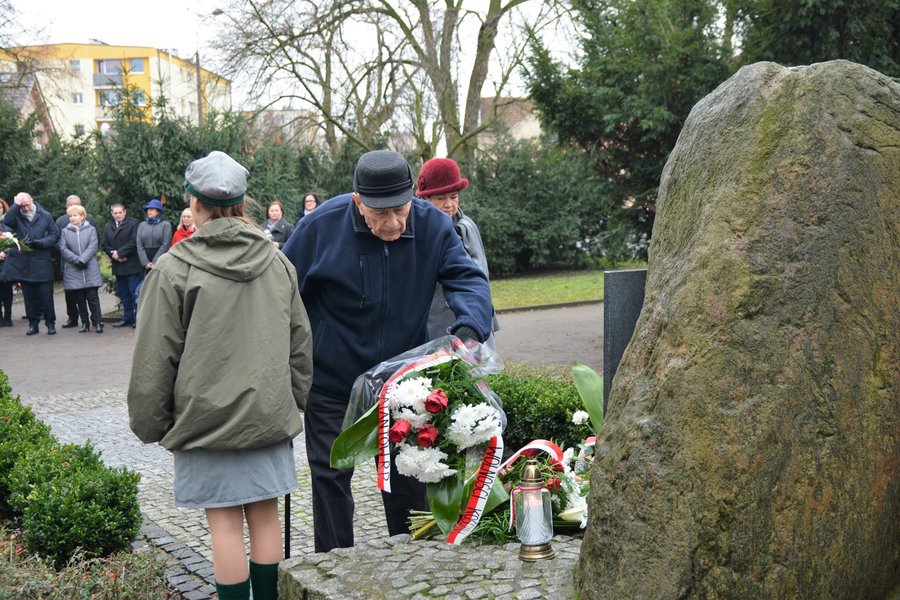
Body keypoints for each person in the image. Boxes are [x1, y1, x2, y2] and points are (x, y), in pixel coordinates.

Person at [281, 149, 493, 553]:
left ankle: (412, 561)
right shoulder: (320, 227)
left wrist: (468, 329)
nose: (394, 222)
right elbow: (281, 288)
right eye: (380, 213)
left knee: (408, 479)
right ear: (358, 202)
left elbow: (468, 280)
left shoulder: (432, 226)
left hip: (404, 385)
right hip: (332, 381)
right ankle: (333, 566)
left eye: (401, 209)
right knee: (330, 478)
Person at [127, 151, 313, 600]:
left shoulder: (173, 268)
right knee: (265, 517)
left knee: (224, 525)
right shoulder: (278, 263)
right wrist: (291, 402)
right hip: (266, 415)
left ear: (194, 203)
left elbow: (154, 357)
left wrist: (152, 424)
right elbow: (300, 344)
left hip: (205, 420)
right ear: (242, 203)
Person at [415, 157, 499, 341]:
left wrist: (487, 320)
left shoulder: (468, 226)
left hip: (473, 325)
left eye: (453, 197)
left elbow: (481, 275)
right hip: (433, 329)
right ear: (424, 198)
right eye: (440, 198)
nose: (449, 204)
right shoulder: (417, 232)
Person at [1, 192, 59, 335]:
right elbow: (7, 221)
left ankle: (50, 323)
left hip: (42, 261)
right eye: (22, 206)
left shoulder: (45, 215)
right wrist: (16, 205)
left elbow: (55, 234)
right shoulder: (17, 216)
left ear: (32, 201)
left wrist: (41, 243)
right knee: (29, 298)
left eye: (27, 205)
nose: (26, 208)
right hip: (25, 263)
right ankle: (33, 324)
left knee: (46, 296)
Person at [57, 204, 104, 333]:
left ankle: (97, 322)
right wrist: (76, 260)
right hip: (74, 270)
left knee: (93, 298)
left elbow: (93, 246)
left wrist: (82, 259)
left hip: (90, 268)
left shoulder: (91, 230)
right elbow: (63, 248)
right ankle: (84, 323)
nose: (72, 218)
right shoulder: (65, 232)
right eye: (70, 216)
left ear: (82, 216)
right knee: (80, 300)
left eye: (75, 215)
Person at [102, 203, 142, 328]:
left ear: (125, 212)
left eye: (120, 212)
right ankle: (127, 318)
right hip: (118, 266)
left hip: (132, 265)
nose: (118, 215)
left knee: (134, 293)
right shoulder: (108, 226)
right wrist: (114, 255)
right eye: (115, 213)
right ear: (111, 213)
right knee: (124, 294)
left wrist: (120, 253)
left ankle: (138, 319)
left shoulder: (134, 223)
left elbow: (134, 242)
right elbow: (105, 244)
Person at [136, 199, 172, 271]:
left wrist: (155, 262)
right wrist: (145, 262)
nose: (149, 211)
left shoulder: (166, 225)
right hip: (145, 262)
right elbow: (139, 244)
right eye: (148, 209)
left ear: (158, 211)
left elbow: (165, 244)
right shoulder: (142, 225)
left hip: (161, 260)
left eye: (152, 209)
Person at [0, 198, 13, 327]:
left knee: (7, 291)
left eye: (0, 207)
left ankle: (8, 316)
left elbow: (14, 242)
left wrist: (5, 252)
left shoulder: (8, 223)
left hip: (7, 263)